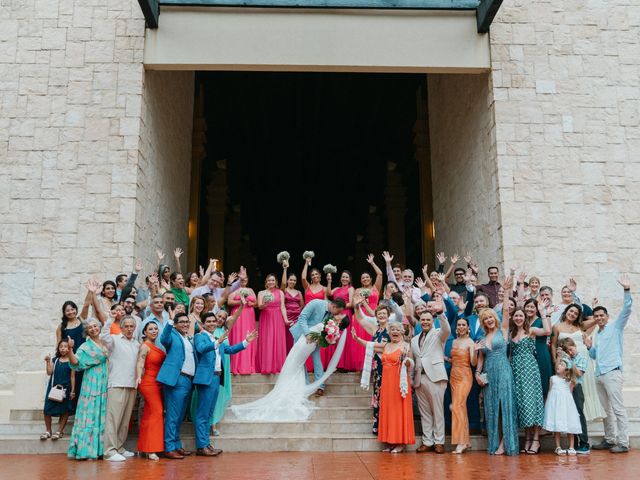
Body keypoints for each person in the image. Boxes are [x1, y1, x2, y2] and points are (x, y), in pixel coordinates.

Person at [230, 311, 349, 422]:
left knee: (294, 363)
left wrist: (316, 338)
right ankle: (289, 388)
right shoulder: (333, 326)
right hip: (306, 342)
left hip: (306, 343)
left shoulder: (333, 327)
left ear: (340, 322)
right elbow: (323, 339)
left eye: (341, 316)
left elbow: (323, 339)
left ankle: (285, 390)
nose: (339, 314)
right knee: (294, 364)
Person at [192, 313, 257, 456]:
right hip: (205, 379)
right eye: (208, 321)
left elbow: (230, 350)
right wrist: (217, 342)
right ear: (202, 324)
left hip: (216, 379)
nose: (211, 323)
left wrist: (246, 341)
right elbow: (201, 349)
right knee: (202, 414)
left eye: (213, 321)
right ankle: (201, 446)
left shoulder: (216, 338)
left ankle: (206, 444)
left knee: (209, 414)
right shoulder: (200, 337)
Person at [353, 320, 415, 453]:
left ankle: (401, 443)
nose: (394, 332)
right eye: (392, 329)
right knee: (389, 411)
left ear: (402, 332)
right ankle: (391, 442)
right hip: (386, 385)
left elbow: (411, 363)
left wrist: (407, 361)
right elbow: (370, 346)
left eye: (397, 329)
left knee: (399, 412)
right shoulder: (386, 346)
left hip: (399, 384)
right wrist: (357, 339)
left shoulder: (406, 346)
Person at [586, 275, 633, 453]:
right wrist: (590, 347)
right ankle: (609, 438)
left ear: (607, 316)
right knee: (606, 410)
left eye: (601, 315)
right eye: (596, 316)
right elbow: (595, 355)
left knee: (618, 408)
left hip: (613, 373)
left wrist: (626, 290)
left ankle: (623, 443)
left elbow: (627, 309)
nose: (599, 318)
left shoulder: (616, 326)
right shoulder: (598, 333)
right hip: (599, 374)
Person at [474, 277, 518, 456]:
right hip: (489, 375)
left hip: (504, 371)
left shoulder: (503, 330)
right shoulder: (482, 340)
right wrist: (477, 374)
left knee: (504, 407)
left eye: (491, 317)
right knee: (493, 410)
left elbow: (506, 310)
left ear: (495, 318)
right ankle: (497, 442)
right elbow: (481, 360)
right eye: (486, 319)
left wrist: (506, 292)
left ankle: (505, 444)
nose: (489, 320)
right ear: (484, 322)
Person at [506, 304, 550, 455]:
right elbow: (511, 354)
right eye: (516, 315)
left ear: (525, 318)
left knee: (533, 402)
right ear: (513, 317)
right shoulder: (511, 333)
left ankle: (536, 439)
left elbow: (547, 331)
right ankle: (528, 438)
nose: (518, 318)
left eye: (521, 316)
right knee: (523, 404)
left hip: (530, 369)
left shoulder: (530, 330)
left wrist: (543, 313)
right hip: (516, 370)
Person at [551, 303, 604, 422]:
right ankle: (571, 417)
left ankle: (586, 415)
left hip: (583, 359)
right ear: (566, 312)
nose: (572, 314)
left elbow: (596, 319)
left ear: (578, 316)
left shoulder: (580, 326)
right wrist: (555, 360)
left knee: (585, 386)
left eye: (576, 313)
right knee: (571, 388)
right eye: (571, 311)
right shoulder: (557, 327)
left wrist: (594, 306)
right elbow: (554, 345)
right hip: (567, 361)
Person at [156, 310, 196, 460]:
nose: (185, 324)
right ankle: (169, 447)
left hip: (189, 380)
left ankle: (177, 445)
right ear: (176, 324)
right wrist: (171, 321)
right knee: (173, 416)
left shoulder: (188, 338)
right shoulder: (172, 334)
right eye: (182, 322)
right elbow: (163, 339)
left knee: (180, 416)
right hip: (176, 379)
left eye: (187, 322)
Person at [67, 319, 109, 460]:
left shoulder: (107, 342)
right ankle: (86, 450)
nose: (93, 329)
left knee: (101, 413)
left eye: (95, 326)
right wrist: (70, 349)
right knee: (89, 415)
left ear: (99, 327)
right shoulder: (85, 347)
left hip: (105, 382)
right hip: (91, 383)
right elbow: (75, 363)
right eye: (90, 328)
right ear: (87, 331)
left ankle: (101, 450)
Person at [100, 314, 140, 462]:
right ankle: (109, 451)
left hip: (131, 385)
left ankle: (120, 448)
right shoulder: (114, 340)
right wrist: (109, 319)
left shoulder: (137, 344)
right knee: (113, 419)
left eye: (132, 326)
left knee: (124, 420)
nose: (129, 329)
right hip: (117, 383)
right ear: (121, 327)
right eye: (126, 326)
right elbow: (103, 336)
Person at [411, 309, 450, 454]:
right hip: (419, 378)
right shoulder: (414, 339)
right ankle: (427, 441)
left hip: (435, 376)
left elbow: (447, 329)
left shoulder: (439, 333)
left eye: (428, 320)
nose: (425, 322)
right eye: (423, 320)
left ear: (432, 321)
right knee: (425, 412)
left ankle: (439, 442)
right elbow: (415, 359)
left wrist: (440, 314)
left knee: (438, 411)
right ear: (419, 322)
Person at [290, 298, 347, 396]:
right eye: (338, 311)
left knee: (317, 360)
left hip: (316, 339)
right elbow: (302, 318)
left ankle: (320, 386)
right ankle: (305, 385)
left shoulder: (331, 315)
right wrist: (307, 334)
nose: (337, 314)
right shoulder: (316, 303)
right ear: (334, 306)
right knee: (301, 361)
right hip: (301, 335)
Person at [353, 301, 391, 434]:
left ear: (388, 315)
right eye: (379, 314)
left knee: (386, 395)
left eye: (384, 314)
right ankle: (378, 426)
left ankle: (387, 426)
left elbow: (384, 346)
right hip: (376, 366)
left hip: (388, 365)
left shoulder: (392, 329)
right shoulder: (376, 329)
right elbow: (360, 319)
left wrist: (361, 341)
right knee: (378, 393)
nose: (381, 316)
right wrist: (357, 306)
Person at [135, 320, 166, 460]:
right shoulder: (145, 346)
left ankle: (144, 448)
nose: (154, 331)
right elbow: (140, 362)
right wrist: (138, 378)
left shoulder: (156, 346)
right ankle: (152, 449)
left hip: (157, 382)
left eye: (155, 329)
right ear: (145, 332)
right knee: (157, 412)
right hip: (147, 383)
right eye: (150, 329)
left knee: (149, 414)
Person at [543, 357, 582, 455]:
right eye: (559, 364)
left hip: (567, 406)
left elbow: (570, 394)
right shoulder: (553, 379)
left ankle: (571, 447)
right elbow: (550, 392)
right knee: (557, 426)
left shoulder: (569, 381)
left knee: (570, 426)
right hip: (556, 406)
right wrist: (548, 406)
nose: (559, 366)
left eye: (562, 365)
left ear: (566, 369)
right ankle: (558, 447)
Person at [449, 317, 477, 454]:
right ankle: (465, 441)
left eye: (463, 325)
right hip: (453, 375)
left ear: (468, 327)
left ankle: (461, 442)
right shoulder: (454, 341)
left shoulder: (470, 342)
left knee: (457, 406)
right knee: (460, 407)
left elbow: (473, 363)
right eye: (459, 324)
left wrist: (475, 351)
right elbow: (454, 359)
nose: (461, 327)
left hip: (465, 376)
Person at [559, 337, 590, 454]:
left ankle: (584, 443)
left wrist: (570, 362)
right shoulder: (564, 359)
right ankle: (574, 444)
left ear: (575, 346)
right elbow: (559, 372)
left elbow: (578, 374)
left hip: (577, 387)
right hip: (566, 388)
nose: (571, 353)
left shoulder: (581, 358)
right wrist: (560, 357)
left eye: (571, 349)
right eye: (568, 351)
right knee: (570, 415)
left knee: (579, 414)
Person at [41, 340, 75, 441]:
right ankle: (48, 431)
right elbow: (49, 372)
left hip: (66, 389)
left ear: (69, 348)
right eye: (61, 346)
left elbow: (73, 376)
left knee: (64, 410)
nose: (63, 348)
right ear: (58, 348)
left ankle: (59, 431)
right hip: (53, 389)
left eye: (65, 346)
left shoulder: (71, 361)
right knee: (47, 409)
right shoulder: (55, 360)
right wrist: (48, 362)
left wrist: (72, 391)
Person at [256, 274, 288, 374]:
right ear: (266, 282)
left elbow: (282, 307)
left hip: (278, 318)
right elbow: (259, 307)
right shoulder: (261, 293)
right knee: (267, 340)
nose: (271, 282)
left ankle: (278, 366)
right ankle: (266, 366)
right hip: (266, 317)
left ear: (276, 282)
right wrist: (265, 303)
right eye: (269, 280)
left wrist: (286, 320)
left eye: (273, 280)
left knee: (278, 340)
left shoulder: (280, 292)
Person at [523, 298, 553, 399]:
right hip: (528, 355)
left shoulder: (541, 320)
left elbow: (548, 332)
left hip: (541, 352)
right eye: (527, 306)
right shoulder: (523, 321)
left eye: (532, 307)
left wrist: (543, 312)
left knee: (543, 381)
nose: (529, 309)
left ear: (536, 309)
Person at [228, 277, 258, 374]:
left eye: (245, 278)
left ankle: (248, 366)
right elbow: (229, 302)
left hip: (249, 314)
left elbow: (256, 303)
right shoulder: (234, 290)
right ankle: (236, 366)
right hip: (238, 314)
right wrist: (240, 302)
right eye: (241, 279)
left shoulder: (251, 290)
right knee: (238, 337)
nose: (244, 280)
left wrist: (251, 303)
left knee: (248, 336)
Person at [330, 270, 357, 371]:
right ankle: (335, 364)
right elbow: (328, 293)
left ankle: (344, 365)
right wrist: (329, 281)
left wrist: (339, 306)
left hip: (345, 315)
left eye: (346, 277)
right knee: (334, 337)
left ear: (349, 279)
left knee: (344, 338)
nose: (344, 279)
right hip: (336, 315)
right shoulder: (337, 289)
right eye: (343, 277)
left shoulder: (351, 289)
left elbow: (351, 303)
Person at [281, 260, 304, 353]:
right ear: (287, 280)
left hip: (297, 318)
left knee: (297, 337)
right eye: (291, 280)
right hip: (287, 317)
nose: (293, 282)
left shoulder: (299, 292)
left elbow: (302, 305)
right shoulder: (284, 290)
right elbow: (282, 284)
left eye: (294, 280)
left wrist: (298, 312)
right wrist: (285, 269)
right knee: (288, 338)